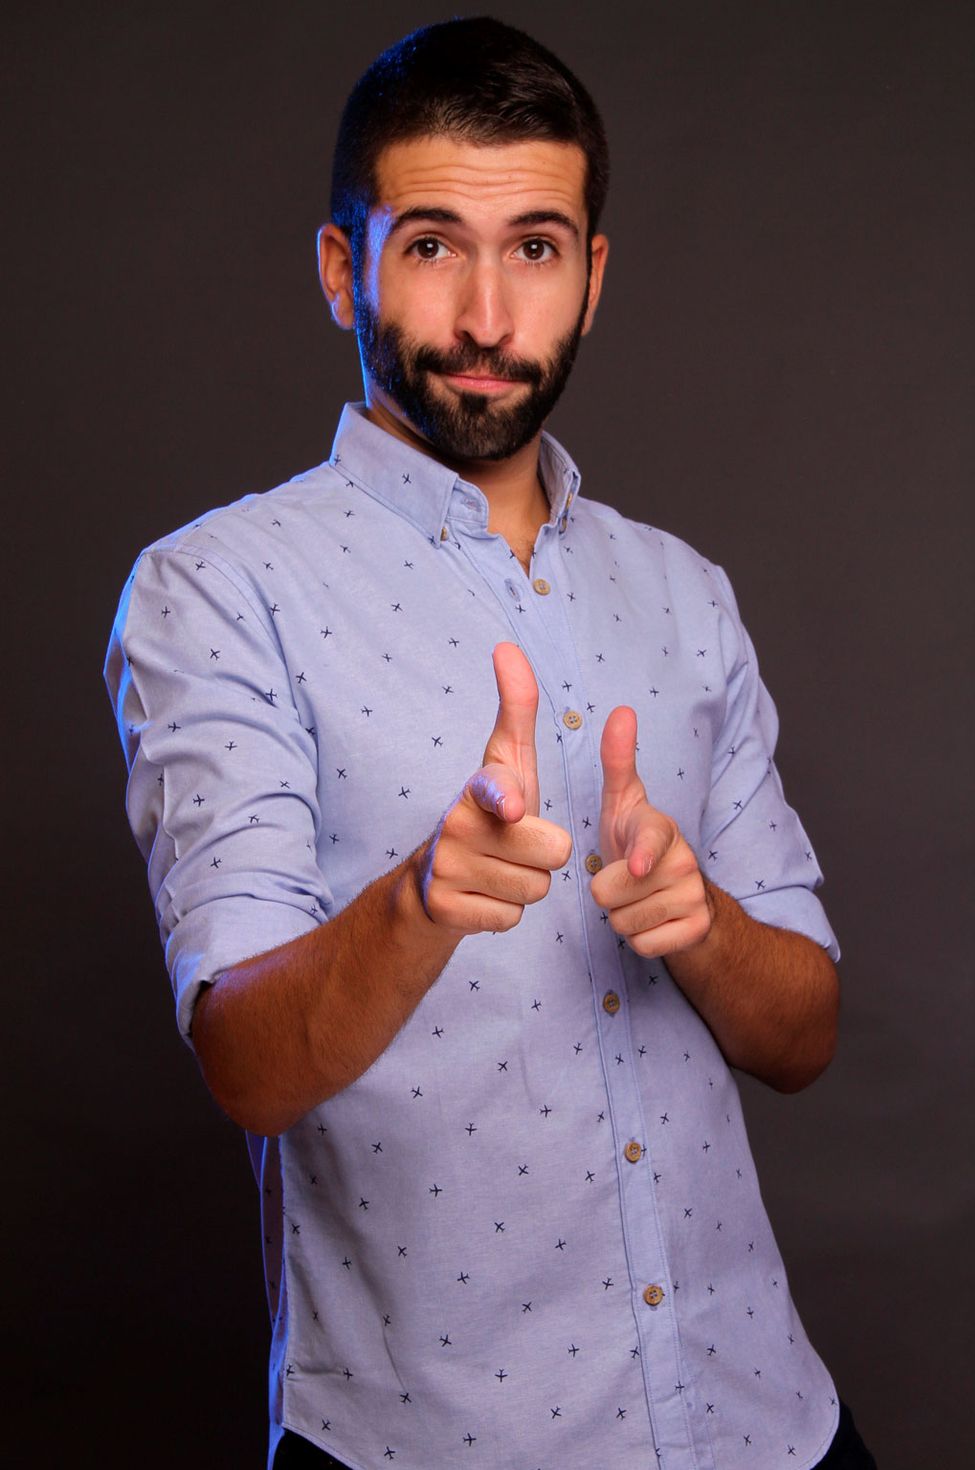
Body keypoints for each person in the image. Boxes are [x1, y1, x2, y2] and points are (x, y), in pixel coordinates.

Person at [105, 18, 876, 1470]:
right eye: (431, 245)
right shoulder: (217, 588)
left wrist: (699, 924)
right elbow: (246, 1067)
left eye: (533, 248)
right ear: (345, 267)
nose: (483, 314)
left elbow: (807, 1034)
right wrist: (420, 901)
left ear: (593, 276)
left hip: (763, 1417)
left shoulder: (684, 592)